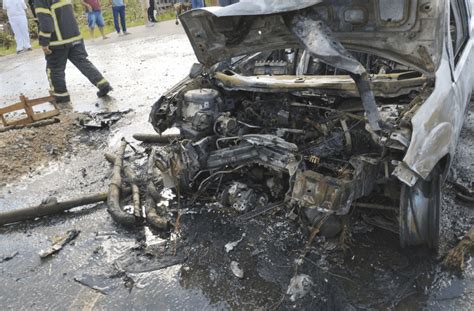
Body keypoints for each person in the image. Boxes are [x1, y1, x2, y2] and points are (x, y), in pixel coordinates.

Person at [34, 0, 112, 103]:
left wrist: (44, 42)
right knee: (83, 62)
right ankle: (103, 84)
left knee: (55, 69)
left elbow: (46, 22)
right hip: (75, 37)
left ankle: (61, 95)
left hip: (58, 42)